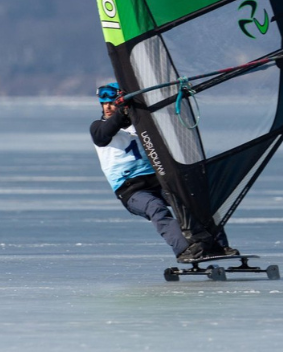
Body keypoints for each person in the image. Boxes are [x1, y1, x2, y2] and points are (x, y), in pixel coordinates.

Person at [90, 83, 236, 261]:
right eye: (104, 103)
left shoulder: (142, 125)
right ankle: (185, 249)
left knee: (196, 201)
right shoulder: (98, 127)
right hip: (131, 190)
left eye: (112, 103)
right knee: (155, 208)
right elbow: (103, 134)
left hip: (158, 181)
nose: (108, 107)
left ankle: (218, 245)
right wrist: (122, 111)